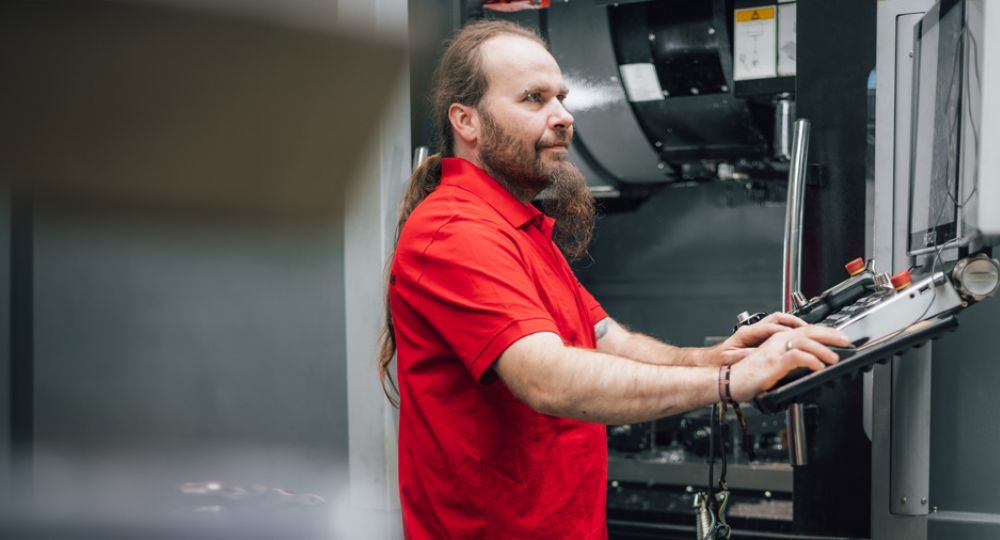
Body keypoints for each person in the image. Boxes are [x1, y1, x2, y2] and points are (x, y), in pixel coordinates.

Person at [377, 19, 849, 539]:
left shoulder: (518, 227)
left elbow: (608, 340)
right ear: (467, 121)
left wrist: (718, 357)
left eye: (562, 97)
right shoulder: (455, 231)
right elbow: (546, 377)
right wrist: (726, 383)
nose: (563, 116)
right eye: (534, 99)